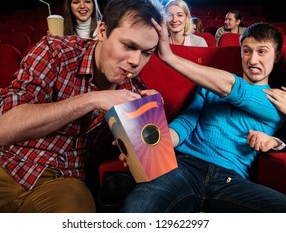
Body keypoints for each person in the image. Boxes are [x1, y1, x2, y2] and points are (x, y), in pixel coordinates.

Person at [0, 0, 164, 213]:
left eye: (147, 53)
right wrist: (92, 99)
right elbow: (4, 130)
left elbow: (150, 169)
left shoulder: (135, 93)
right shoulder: (56, 51)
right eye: (128, 46)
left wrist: (150, 131)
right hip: (2, 168)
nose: (136, 61)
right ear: (102, 31)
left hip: (62, 185)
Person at [119, 22, 286, 212]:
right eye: (247, 51)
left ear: (277, 56)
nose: (253, 60)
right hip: (183, 167)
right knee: (136, 209)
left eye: (262, 52)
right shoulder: (211, 84)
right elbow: (185, 124)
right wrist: (151, 143)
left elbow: (236, 90)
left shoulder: (279, 101)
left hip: (230, 179)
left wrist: (170, 58)